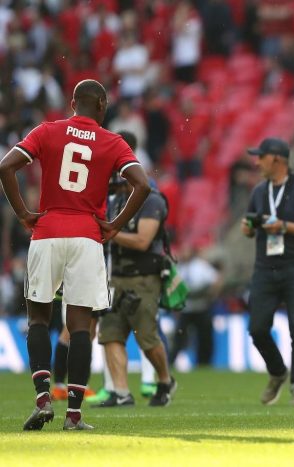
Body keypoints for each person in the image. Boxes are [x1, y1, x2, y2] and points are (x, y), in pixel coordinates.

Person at [0, 79, 151, 431]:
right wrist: (114, 224)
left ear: (72, 103)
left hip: (47, 232)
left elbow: (6, 167)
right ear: (102, 106)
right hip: (86, 236)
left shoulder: (47, 131)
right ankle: (73, 416)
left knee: (39, 318)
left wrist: (23, 213)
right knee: (80, 326)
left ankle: (42, 399)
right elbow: (142, 184)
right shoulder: (112, 142)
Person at [94, 130, 177, 408]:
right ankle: (120, 391)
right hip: (117, 277)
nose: (119, 177)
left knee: (147, 336)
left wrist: (110, 231)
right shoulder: (117, 201)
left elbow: (143, 241)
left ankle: (164, 380)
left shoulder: (152, 200)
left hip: (145, 278)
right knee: (110, 334)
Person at [241, 137, 294, 407]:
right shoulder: (259, 191)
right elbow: (250, 226)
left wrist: (284, 226)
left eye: (260, 156)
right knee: (257, 328)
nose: (256, 161)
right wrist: (249, 227)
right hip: (265, 267)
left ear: (276, 159)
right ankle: (278, 372)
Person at [171, 245, 221, 367]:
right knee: (179, 338)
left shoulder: (201, 266)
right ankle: (170, 362)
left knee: (204, 338)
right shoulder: (178, 268)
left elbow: (216, 280)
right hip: (186, 308)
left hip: (202, 308)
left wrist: (211, 296)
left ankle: (204, 364)